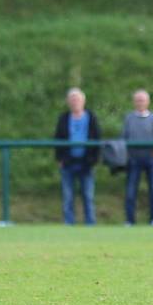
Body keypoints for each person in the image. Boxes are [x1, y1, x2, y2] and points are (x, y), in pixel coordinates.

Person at [54, 88, 101, 226]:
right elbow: (57, 139)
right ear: (68, 102)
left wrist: (94, 159)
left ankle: (90, 223)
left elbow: (97, 138)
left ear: (83, 101)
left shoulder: (91, 117)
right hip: (68, 162)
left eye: (78, 99)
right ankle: (69, 222)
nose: (75, 102)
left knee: (88, 195)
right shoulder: (63, 118)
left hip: (87, 162)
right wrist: (59, 158)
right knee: (68, 196)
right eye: (72, 99)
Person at [123, 89, 153, 226]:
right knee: (130, 191)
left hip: (151, 160)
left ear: (148, 102)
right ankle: (129, 220)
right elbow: (123, 138)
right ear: (134, 102)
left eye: (143, 100)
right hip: (133, 159)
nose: (140, 103)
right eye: (138, 100)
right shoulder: (129, 118)